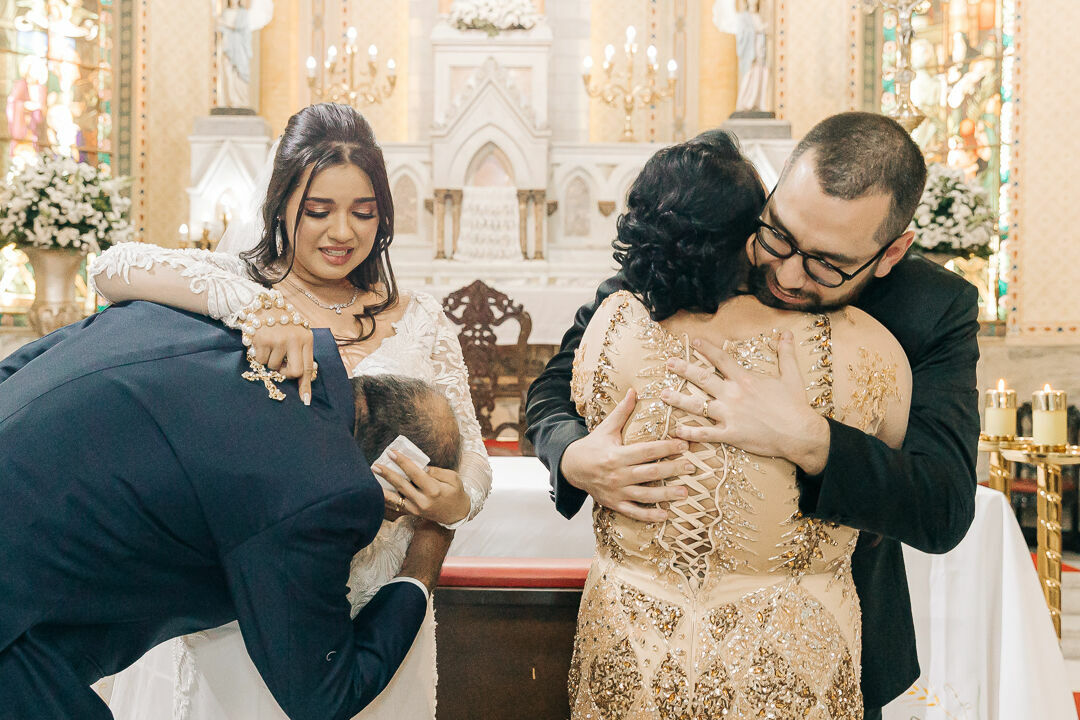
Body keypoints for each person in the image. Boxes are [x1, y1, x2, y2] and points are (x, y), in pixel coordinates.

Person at [526, 112, 980, 718]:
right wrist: (575, 456)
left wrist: (810, 438)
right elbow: (553, 387)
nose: (787, 275)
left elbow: (941, 507)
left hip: (820, 650)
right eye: (780, 237)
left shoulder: (934, 308)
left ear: (892, 251)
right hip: (644, 645)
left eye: (827, 264)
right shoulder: (710, 238)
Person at [92, 102, 491, 720]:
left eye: (363, 213)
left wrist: (453, 502)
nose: (342, 233)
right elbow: (111, 267)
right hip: (239, 614)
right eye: (318, 211)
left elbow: (477, 463)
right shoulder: (238, 287)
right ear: (281, 206)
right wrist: (256, 309)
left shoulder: (422, 318)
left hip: (378, 612)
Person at [0, 300, 454, 720]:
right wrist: (425, 553)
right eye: (399, 512)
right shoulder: (323, 486)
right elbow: (325, 696)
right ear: (396, 470)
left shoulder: (194, 320)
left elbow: (15, 368)